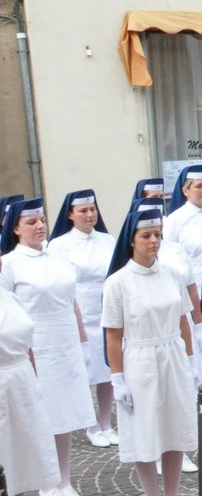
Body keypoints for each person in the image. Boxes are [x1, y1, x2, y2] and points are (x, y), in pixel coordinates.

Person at [101, 203, 198, 496]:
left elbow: (184, 319)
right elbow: (113, 336)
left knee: (173, 431)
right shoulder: (118, 283)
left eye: (157, 235)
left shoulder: (171, 274)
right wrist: (117, 378)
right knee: (146, 433)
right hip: (140, 359)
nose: (154, 241)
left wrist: (190, 359)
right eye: (146, 235)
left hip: (172, 352)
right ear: (132, 239)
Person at [1, 198, 96, 496]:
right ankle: (47, 484)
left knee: (67, 414)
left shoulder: (58, 255)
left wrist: (83, 343)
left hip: (66, 340)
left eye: (42, 220)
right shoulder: (11, 264)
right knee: (46, 416)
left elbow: (73, 301)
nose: (40, 226)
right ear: (15, 228)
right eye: (31, 222)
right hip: (36, 345)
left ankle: (65, 479)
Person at [0, 245, 59, 496]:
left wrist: (34, 384)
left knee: (19, 469)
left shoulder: (9, 297)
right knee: (3, 466)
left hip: (20, 384)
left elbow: (27, 343)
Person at [48, 189, 118, 447]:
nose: (90, 215)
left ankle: (106, 422)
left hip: (104, 310)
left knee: (107, 369)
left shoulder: (108, 240)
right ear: (70, 214)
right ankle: (91, 425)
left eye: (92, 210)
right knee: (85, 371)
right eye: (83, 211)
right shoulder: (59, 245)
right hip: (79, 312)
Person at [163, 165, 202, 371]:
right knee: (197, 349)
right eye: (198, 186)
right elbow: (171, 257)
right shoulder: (175, 220)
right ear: (185, 191)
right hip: (191, 288)